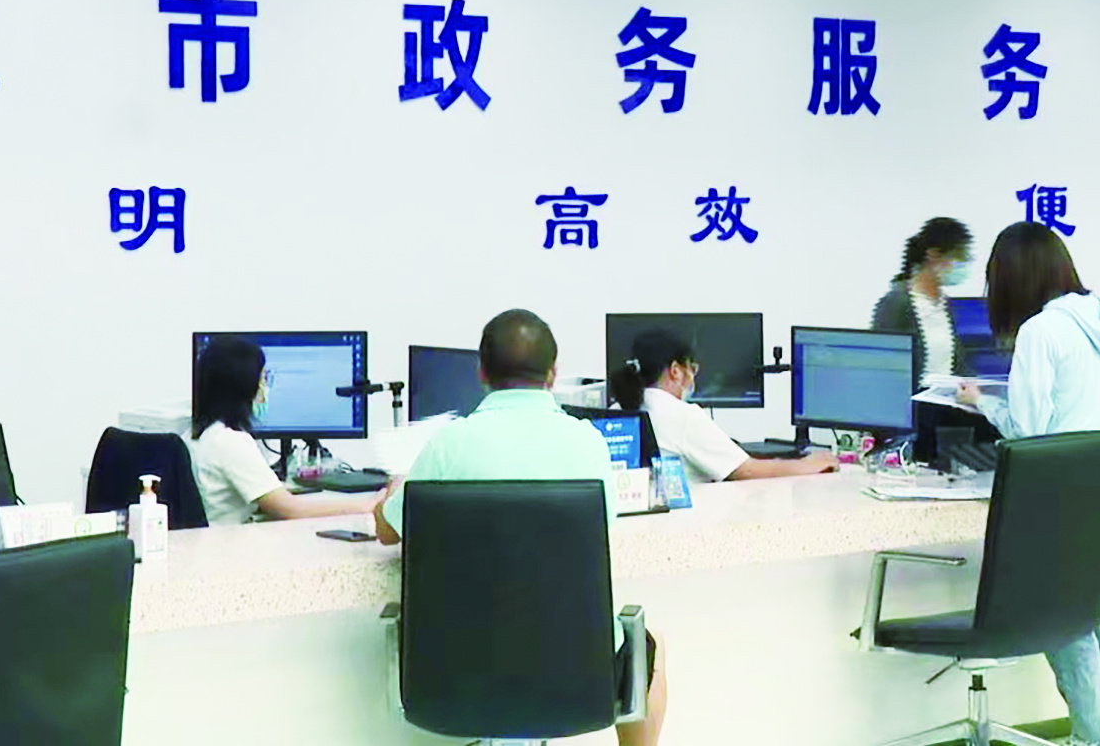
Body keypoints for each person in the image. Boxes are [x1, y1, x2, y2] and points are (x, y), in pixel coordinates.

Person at [373, 310, 666, 746]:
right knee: (650, 647)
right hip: (574, 670)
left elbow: (388, 530)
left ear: (481, 371)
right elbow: (602, 525)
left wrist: (391, 493)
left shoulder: (449, 445)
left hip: (455, 674)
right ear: (553, 373)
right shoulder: (588, 442)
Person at [957, 223, 1100, 746]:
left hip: (1060, 485)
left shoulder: (1040, 331)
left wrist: (980, 403)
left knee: (1062, 618)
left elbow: (1027, 429)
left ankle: (1091, 737)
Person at [188, 335, 379, 525]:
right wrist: (370, 505)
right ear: (245, 386)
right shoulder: (230, 442)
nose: (265, 387)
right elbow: (294, 511)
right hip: (227, 541)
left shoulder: (197, 434)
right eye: (263, 378)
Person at [608, 329, 837, 482]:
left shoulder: (615, 411)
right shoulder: (683, 416)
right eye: (692, 369)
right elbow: (746, 471)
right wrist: (807, 464)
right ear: (676, 371)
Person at [871, 216, 976, 381]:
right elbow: (884, 367)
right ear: (933, 255)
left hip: (946, 395)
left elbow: (955, 364)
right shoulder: (896, 304)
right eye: (960, 256)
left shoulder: (944, 305)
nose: (964, 263)